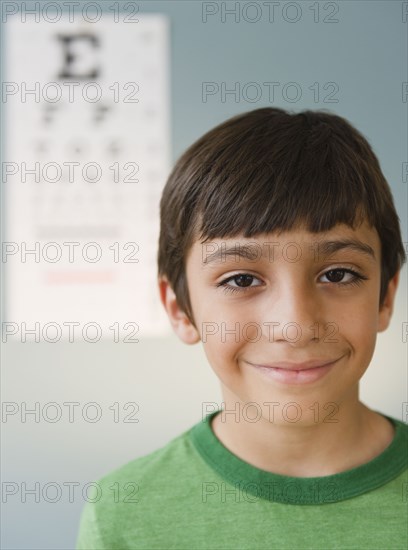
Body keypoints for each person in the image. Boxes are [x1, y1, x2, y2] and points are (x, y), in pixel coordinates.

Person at [76, 107, 408, 549]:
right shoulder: (123, 514)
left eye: (338, 274)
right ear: (180, 309)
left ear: (385, 297)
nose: (295, 326)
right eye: (242, 280)